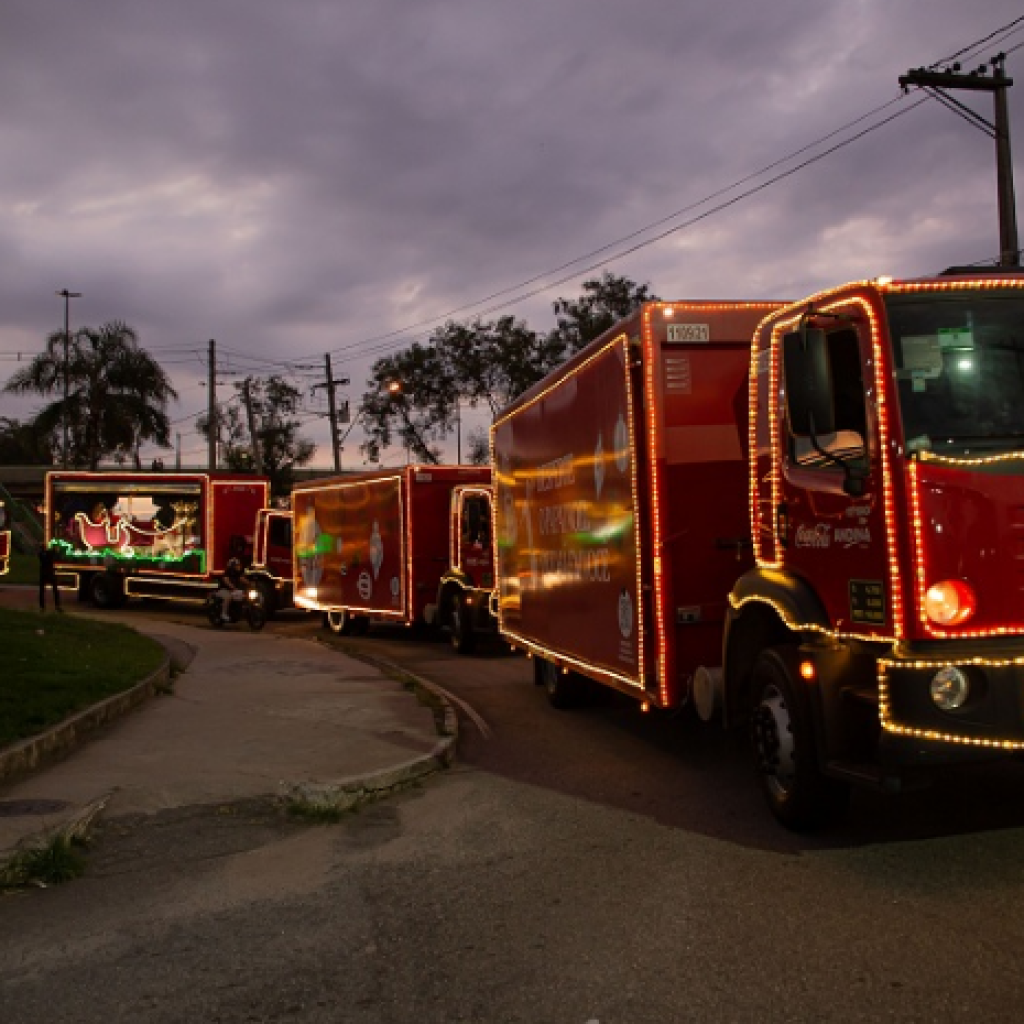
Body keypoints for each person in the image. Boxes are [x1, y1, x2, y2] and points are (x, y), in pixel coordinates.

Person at [215, 557, 249, 623]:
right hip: (223, 590)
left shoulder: (237, 573)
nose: (239, 566)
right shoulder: (227, 572)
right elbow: (226, 580)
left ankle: (238, 611)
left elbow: (242, 579)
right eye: (237, 565)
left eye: (239, 565)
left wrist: (250, 583)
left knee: (243, 596)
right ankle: (223, 614)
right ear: (232, 566)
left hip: (233, 590)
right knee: (228, 597)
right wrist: (232, 587)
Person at [38, 542, 62, 613]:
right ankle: (57, 606)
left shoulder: (41, 554)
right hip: (50, 573)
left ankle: (42, 607)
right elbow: (54, 554)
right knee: (55, 590)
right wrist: (55, 550)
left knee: (42, 591)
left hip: (43, 573)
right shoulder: (48, 553)